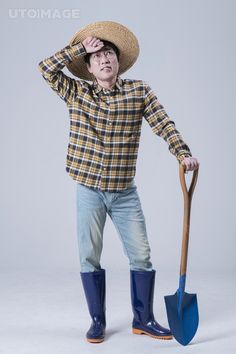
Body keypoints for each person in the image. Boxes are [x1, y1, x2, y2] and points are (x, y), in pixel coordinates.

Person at [38, 21, 199, 344]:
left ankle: (144, 319)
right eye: (97, 57)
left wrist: (183, 153)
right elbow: (45, 69)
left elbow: (163, 123)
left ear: (117, 61)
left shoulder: (139, 91)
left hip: (124, 191)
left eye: (109, 54)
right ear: (89, 66)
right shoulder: (77, 91)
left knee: (141, 254)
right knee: (89, 256)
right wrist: (81, 47)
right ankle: (97, 321)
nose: (104, 60)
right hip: (88, 188)